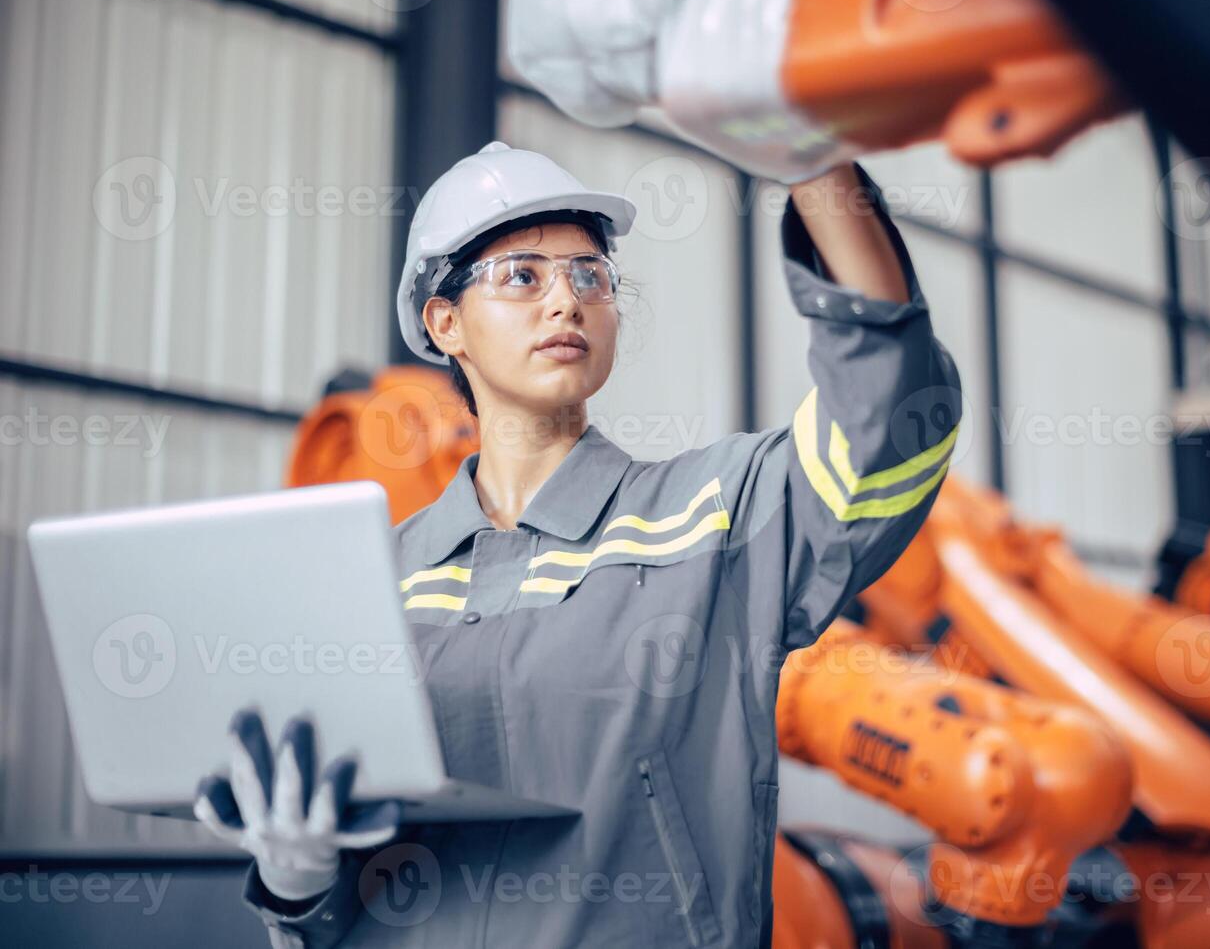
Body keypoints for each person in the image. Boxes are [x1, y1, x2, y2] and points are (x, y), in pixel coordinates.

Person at [194, 141, 963, 948]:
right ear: (445, 322)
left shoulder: (715, 518)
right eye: (523, 275)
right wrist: (297, 882)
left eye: (590, 276)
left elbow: (888, 417)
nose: (566, 300)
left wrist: (813, 158)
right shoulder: (375, 583)